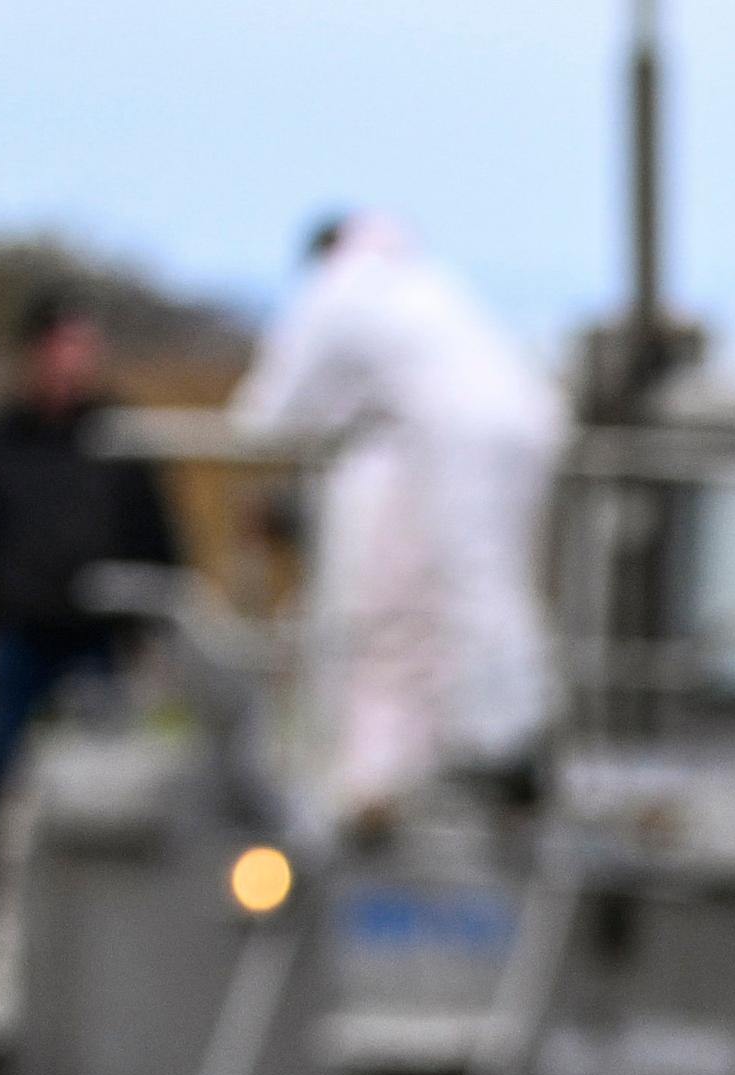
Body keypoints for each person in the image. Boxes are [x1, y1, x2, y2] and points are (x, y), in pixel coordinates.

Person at [229, 212, 567, 833]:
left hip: (466, 438)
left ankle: (509, 747)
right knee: (485, 586)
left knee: (474, 584)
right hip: (522, 422)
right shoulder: (420, 281)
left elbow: (268, 412)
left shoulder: (337, 289)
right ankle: (494, 741)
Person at [0, 291, 181, 985]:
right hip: (19, 642)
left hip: (97, 644)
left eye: (87, 350)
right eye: (66, 349)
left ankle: (123, 960)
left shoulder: (118, 436)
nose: (78, 364)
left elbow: (157, 538)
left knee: (117, 801)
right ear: (35, 353)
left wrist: (150, 627)